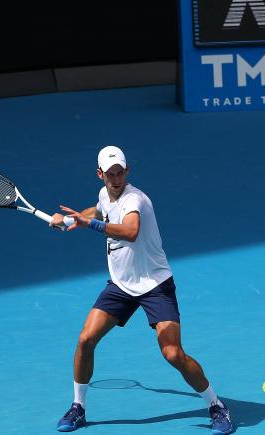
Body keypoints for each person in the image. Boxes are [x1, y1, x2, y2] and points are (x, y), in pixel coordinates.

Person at [50, 146, 234, 434]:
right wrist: (72, 220)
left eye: (120, 172)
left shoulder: (135, 199)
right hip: (121, 285)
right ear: (100, 174)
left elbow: (131, 231)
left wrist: (91, 225)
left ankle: (216, 406)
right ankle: (78, 407)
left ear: (127, 171)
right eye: (109, 174)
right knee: (86, 340)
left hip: (155, 285)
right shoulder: (104, 193)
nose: (115, 178)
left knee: (173, 353)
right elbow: (97, 209)